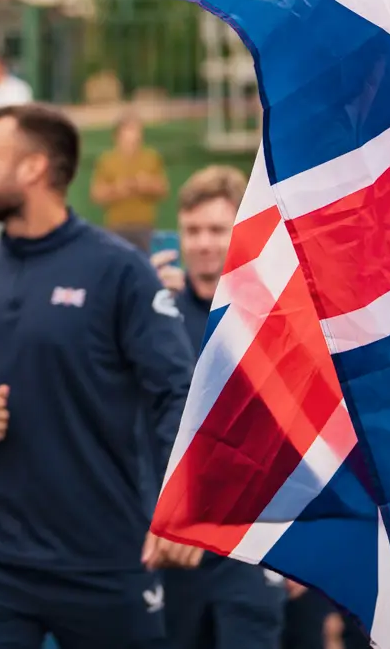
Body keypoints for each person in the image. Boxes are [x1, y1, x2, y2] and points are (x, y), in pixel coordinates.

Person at [0, 102, 193, 649]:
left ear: (33, 168)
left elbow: (177, 392)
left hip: (105, 555)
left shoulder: (119, 269)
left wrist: (182, 507)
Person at [150, 165, 287, 649]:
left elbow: (291, 434)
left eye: (216, 229)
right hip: (170, 543)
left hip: (249, 542)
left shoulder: (273, 317)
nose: (204, 243)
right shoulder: (152, 318)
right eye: (192, 230)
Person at [90, 115, 168, 252]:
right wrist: (117, 189)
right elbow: (97, 194)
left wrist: (145, 185)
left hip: (144, 227)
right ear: (117, 136)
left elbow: (163, 189)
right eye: (129, 132)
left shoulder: (151, 157)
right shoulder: (107, 160)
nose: (133, 137)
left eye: (137, 132)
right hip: (117, 227)